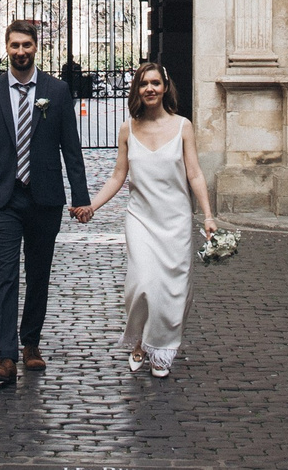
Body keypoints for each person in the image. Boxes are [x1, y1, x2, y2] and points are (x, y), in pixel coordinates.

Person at [0, 18, 92, 387]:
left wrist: (81, 198)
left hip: (44, 198)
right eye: (15, 45)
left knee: (38, 275)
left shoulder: (57, 91)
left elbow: (71, 148)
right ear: (6, 48)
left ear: (36, 48)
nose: (21, 51)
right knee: (4, 276)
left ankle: (30, 343)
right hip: (0, 199)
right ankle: (5, 356)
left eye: (27, 45)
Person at [83, 61, 215, 379]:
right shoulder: (128, 128)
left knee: (171, 290)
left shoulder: (183, 127)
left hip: (176, 221)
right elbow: (118, 176)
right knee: (142, 283)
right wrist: (92, 206)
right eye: (144, 84)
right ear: (137, 90)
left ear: (165, 87)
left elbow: (195, 174)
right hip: (141, 219)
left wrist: (208, 216)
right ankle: (141, 338)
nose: (150, 89)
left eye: (155, 83)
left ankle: (160, 349)